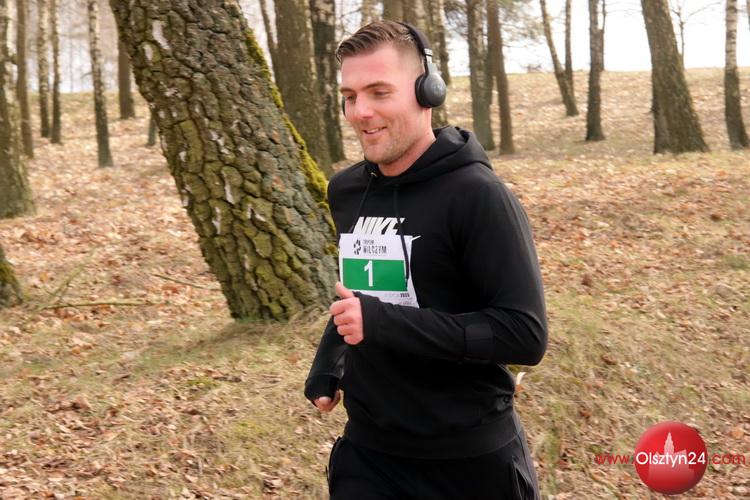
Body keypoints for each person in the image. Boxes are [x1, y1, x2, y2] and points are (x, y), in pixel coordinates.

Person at [304, 20, 547, 500]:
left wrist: (383, 323)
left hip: (468, 462)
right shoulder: (347, 191)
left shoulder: (478, 195)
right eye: (350, 96)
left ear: (427, 92)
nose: (361, 112)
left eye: (379, 92)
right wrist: (329, 364)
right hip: (369, 456)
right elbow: (362, 293)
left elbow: (524, 335)